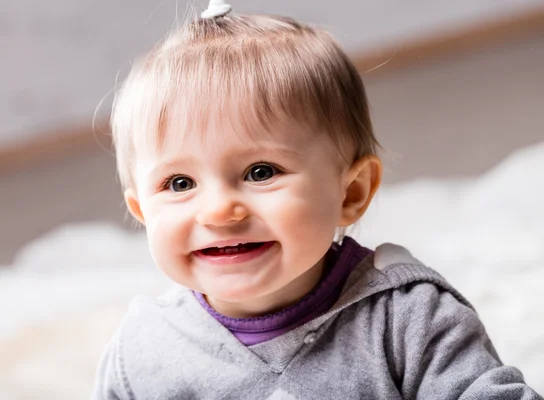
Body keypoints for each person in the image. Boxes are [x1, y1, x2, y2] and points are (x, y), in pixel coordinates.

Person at [92, 1, 542, 398]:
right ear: (142, 212)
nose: (217, 211)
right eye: (179, 184)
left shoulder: (406, 318)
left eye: (260, 172)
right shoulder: (144, 351)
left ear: (351, 192)